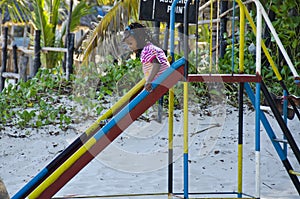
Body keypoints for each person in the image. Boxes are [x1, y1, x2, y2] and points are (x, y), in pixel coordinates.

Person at [122, 22, 170, 92]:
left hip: (159, 81)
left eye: (130, 43)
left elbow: (157, 64)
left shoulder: (146, 50)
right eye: (128, 44)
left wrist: (149, 81)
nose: (129, 47)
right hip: (163, 78)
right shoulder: (150, 47)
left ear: (140, 38)